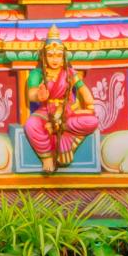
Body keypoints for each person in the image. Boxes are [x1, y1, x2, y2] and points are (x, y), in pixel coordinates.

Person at [24, 26, 98, 173]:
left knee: (92, 121)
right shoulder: (37, 73)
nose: (55, 59)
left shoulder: (69, 73)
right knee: (31, 125)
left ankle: (59, 127)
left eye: (58, 55)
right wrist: (39, 95)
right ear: (44, 56)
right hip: (45, 112)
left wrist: (90, 104)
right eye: (50, 55)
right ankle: (47, 157)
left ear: (64, 57)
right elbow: (31, 94)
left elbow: (82, 88)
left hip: (66, 112)